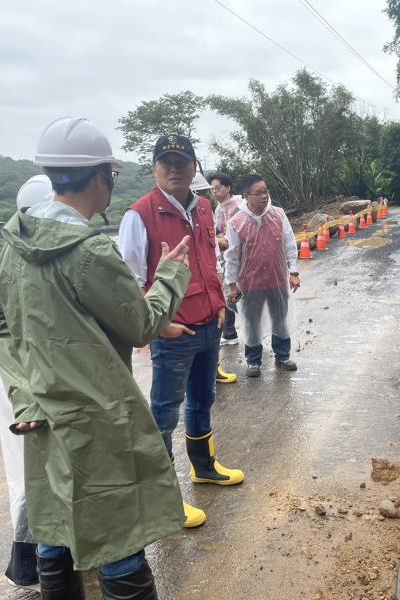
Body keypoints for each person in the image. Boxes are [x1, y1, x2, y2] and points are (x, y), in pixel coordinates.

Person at [0, 117, 191, 600]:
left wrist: (25, 391)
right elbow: (139, 325)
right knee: (118, 534)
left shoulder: (14, 246)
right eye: (111, 176)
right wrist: (172, 276)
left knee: (53, 526)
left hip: (45, 415)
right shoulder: (90, 252)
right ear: (100, 176)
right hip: (98, 416)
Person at [118, 134, 245, 530]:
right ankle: (164, 501)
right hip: (173, 333)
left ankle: (203, 468)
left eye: (182, 161)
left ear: (194, 167)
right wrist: (160, 324)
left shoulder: (204, 207)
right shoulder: (139, 215)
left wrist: (221, 301)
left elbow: (211, 258)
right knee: (163, 414)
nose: (174, 168)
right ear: (155, 167)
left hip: (209, 323)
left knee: (203, 400)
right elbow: (130, 281)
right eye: (166, 161)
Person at [0, 174, 54, 591]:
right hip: (24, 382)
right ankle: (33, 565)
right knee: (35, 473)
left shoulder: (17, 255)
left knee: (34, 472)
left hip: (21, 380)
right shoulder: (22, 259)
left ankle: (39, 563)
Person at [224, 174, 300, 377]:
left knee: (280, 319)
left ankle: (282, 356)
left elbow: (289, 243)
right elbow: (231, 256)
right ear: (246, 196)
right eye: (258, 193)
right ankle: (253, 360)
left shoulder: (278, 215)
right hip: (250, 283)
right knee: (252, 323)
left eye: (265, 191)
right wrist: (232, 284)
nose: (264, 196)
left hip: (277, 279)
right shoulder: (236, 222)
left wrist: (294, 272)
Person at [190, 172, 238, 385]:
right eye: (201, 192)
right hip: (191, 284)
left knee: (214, 324)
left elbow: (215, 245)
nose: (206, 196)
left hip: (211, 278)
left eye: (206, 192)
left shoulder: (205, 211)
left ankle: (213, 368)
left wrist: (218, 276)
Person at [210, 173, 241, 346]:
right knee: (225, 294)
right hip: (224, 257)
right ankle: (229, 333)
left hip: (239, 258)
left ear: (228, 188)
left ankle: (257, 330)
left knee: (240, 296)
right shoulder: (218, 209)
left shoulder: (239, 206)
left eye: (218, 187)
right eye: (212, 189)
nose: (215, 191)